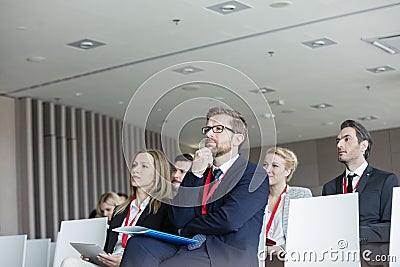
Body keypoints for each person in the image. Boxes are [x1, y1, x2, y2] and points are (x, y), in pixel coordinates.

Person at [120, 107, 269, 267]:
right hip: (191, 246)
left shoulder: (254, 174)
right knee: (138, 244)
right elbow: (178, 219)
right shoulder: (200, 173)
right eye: (208, 129)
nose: (209, 134)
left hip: (226, 254)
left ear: (237, 139)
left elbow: (228, 220)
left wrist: (186, 230)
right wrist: (195, 174)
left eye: (218, 129)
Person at [61, 149, 177, 267]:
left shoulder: (166, 208)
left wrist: (125, 262)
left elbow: (167, 252)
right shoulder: (119, 210)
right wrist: (97, 257)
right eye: (134, 165)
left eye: (144, 166)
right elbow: (110, 248)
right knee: (70, 262)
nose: (135, 170)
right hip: (110, 264)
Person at [322, 119, 398, 266]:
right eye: (338, 141)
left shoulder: (386, 180)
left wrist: (353, 233)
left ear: (364, 145)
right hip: (337, 260)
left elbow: (392, 226)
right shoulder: (329, 187)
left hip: (374, 261)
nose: (339, 145)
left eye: (347, 139)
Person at [263, 147, 312, 257]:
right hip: (258, 257)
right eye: (265, 165)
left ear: (287, 171)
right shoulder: (256, 198)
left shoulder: (301, 195)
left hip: (287, 258)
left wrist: (280, 248)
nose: (267, 170)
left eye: (274, 165)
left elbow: (307, 234)